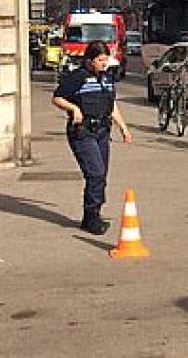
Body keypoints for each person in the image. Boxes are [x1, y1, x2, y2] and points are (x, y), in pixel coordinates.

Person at [51, 41, 132, 235]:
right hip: (83, 132)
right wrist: (74, 108)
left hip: (102, 131)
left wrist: (123, 128)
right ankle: (91, 218)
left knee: (101, 174)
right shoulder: (76, 78)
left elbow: (111, 105)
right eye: (100, 60)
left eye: (106, 59)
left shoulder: (106, 79)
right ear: (90, 60)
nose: (104, 63)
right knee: (95, 173)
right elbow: (57, 97)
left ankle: (94, 213)